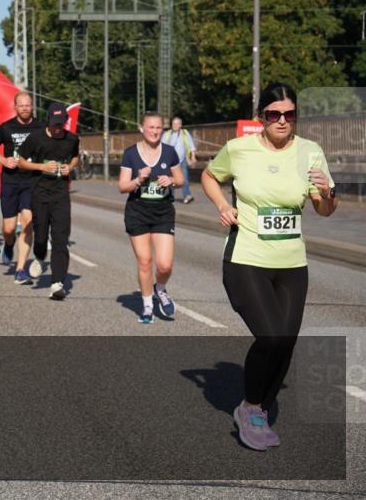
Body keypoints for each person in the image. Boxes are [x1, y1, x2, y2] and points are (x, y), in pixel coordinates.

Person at [202, 83, 336, 451]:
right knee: (271, 336)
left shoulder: (310, 152)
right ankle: (253, 409)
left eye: (289, 115)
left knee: (287, 342)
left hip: (292, 262)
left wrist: (327, 194)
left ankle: (256, 403)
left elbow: (325, 209)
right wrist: (221, 206)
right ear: (262, 117)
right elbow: (210, 176)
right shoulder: (239, 149)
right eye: (274, 114)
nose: (282, 120)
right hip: (246, 258)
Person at [118, 111, 184, 323]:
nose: (155, 131)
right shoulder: (130, 154)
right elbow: (122, 186)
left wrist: (171, 180)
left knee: (165, 265)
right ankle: (147, 306)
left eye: (158, 127)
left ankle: (160, 288)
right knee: (145, 261)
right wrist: (138, 179)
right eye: (151, 127)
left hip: (163, 212)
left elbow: (181, 179)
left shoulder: (169, 152)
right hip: (137, 211)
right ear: (141, 128)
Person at [17, 103, 80, 299]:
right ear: (48, 121)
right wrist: (41, 167)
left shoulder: (72, 139)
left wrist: (70, 166)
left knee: (60, 239)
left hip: (61, 195)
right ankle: (38, 256)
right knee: (41, 237)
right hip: (40, 193)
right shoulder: (36, 137)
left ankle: (57, 283)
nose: (57, 128)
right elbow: (21, 161)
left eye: (61, 124)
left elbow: (76, 156)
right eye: (54, 124)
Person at [0, 92, 43, 281]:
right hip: (10, 180)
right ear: (15, 107)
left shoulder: (41, 126)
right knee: (9, 228)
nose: (25, 108)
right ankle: (9, 245)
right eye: (21, 105)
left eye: (28, 105)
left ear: (32, 106)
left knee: (28, 221)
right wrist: (2, 160)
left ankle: (20, 269)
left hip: (32, 180)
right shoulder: (6, 127)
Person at [162, 116, 198, 203]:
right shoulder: (167, 134)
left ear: (180, 125)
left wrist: (193, 156)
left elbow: (191, 145)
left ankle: (187, 195)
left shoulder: (184, 133)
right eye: (173, 123)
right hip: (170, 161)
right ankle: (170, 196)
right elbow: (161, 146)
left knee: (184, 178)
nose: (175, 125)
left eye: (177, 123)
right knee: (170, 179)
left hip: (182, 160)